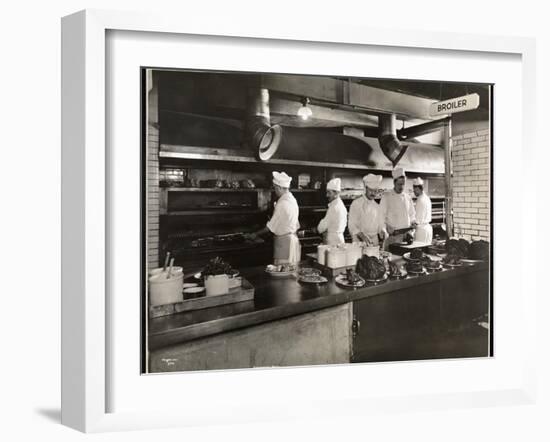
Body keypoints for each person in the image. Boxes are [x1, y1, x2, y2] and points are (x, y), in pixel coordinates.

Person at [247, 171, 301, 264]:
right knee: (292, 271)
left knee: (282, 272)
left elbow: (270, 227)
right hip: (293, 240)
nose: (275, 191)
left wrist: (255, 234)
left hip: (284, 243)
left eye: (275, 188)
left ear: (280, 187)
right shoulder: (292, 199)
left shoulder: (282, 203)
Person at [379, 167, 417, 249]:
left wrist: (413, 222)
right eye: (399, 184)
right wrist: (384, 227)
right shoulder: (387, 197)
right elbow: (380, 216)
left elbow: (412, 214)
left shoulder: (407, 197)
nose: (402, 187)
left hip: (406, 237)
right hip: (393, 237)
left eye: (403, 184)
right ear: (394, 183)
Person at [348, 173, 388, 246]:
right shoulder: (356, 203)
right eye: (371, 190)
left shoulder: (377, 206)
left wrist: (383, 231)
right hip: (359, 241)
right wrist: (362, 236)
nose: (373, 193)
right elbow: (351, 225)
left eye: (375, 191)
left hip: (374, 242)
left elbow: (381, 224)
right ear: (365, 188)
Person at [316, 178, 347, 245]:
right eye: (327, 192)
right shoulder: (341, 205)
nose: (327, 195)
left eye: (329, 193)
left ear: (336, 193)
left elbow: (322, 227)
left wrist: (318, 229)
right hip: (340, 239)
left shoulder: (334, 207)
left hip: (332, 241)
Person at [412, 177, 433, 244]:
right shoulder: (427, 198)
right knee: (426, 250)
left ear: (418, 189)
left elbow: (417, 218)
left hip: (421, 230)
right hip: (428, 229)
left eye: (415, 190)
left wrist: (412, 227)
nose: (414, 192)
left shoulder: (420, 200)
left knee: (419, 251)